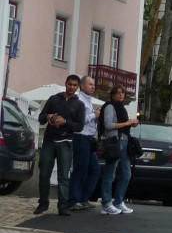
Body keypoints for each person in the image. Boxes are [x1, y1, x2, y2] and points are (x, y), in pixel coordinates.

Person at [35, 75, 87, 216]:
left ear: (78, 87)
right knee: (44, 173)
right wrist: (48, 117)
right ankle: (43, 203)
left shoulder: (79, 105)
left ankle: (63, 205)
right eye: (69, 84)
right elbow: (40, 118)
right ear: (65, 84)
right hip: (49, 141)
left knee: (63, 175)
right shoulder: (53, 99)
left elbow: (79, 127)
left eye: (74, 85)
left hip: (66, 142)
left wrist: (64, 122)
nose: (71, 87)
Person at [99, 86, 139, 215]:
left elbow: (123, 124)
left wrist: (130, 124)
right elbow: (108, 125)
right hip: (114, 141)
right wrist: (127, 123)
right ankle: (106, 202)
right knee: (110, 173)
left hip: (124, 140)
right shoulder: (110, 106)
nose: (121, 95)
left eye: (123, 93)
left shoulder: (122, 108)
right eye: (118, 93)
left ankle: (118, 201)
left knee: (126, 173)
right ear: (113, 95)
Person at [69, 75, 101, 211]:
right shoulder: (79, 100)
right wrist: (95, 115)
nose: (93, 87)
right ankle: (73, 200)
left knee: (94, 169)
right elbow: (81, 119)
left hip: (89, 138)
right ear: (82, 86)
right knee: (80, 170)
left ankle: (84, 198)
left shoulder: (88, 100)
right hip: (81, 137)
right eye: (90, 84)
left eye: (93, 84)